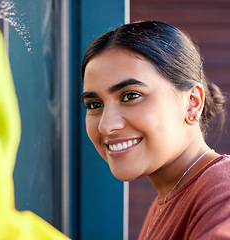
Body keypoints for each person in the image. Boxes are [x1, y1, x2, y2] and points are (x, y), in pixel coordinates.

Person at [81, 20, 230, 239]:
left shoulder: (222, 192)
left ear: (192, 102)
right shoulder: (164, 202)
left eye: (130, 96)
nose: (106, 125)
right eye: (95, 104)